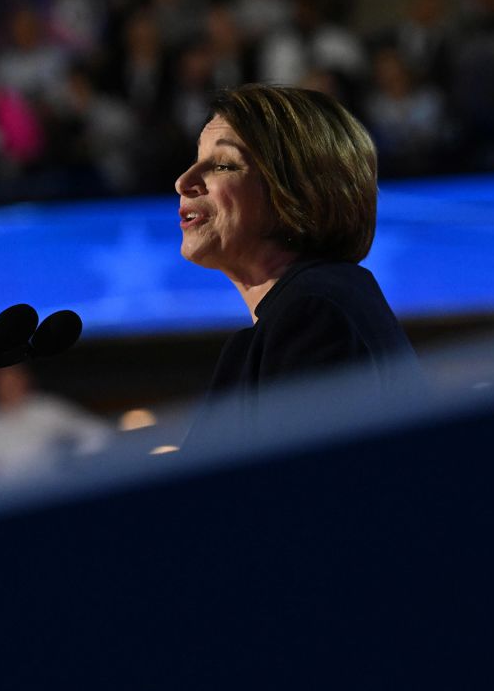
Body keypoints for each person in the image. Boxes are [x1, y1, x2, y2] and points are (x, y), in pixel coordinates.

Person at [175, 83, 417, 444]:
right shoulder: (328, 301)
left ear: (296, 188)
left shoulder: (315, 315)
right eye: (195, 160)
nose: (184, 182)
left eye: (223, 164)